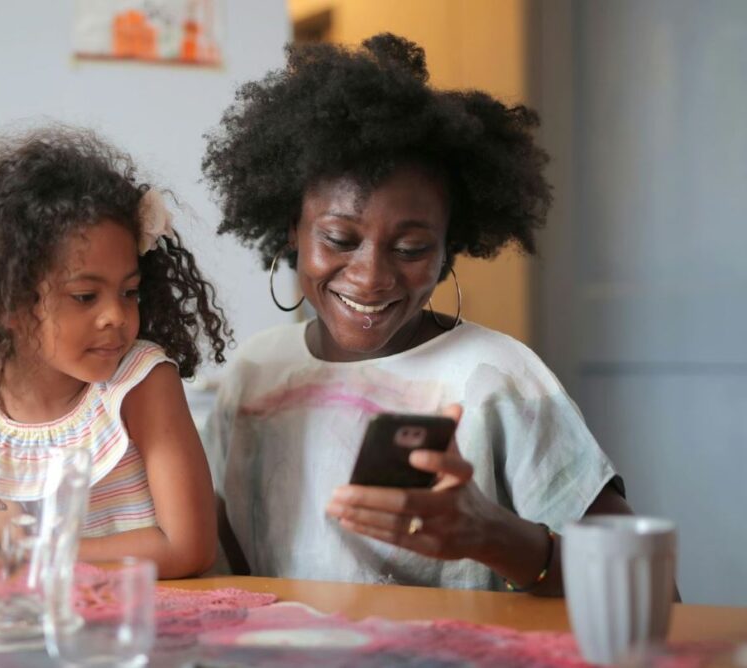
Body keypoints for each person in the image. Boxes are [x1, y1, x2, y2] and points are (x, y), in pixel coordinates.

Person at [200, 34, 632, 595]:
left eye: (410, 249)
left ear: (449, 249)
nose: (372, 276)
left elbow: (647, 587)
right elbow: (226, 559)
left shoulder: (495, 378)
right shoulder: (256, 372)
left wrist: (493, 536)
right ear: (292, 231)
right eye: (338, 238)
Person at [0, 126, 229, 579]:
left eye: (129, 292)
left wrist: (36, 552)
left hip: (158, 618)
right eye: (86, 297)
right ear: (7, 302)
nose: (117, 316)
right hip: (58, 623)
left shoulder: (139, 383)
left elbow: (187, 548)